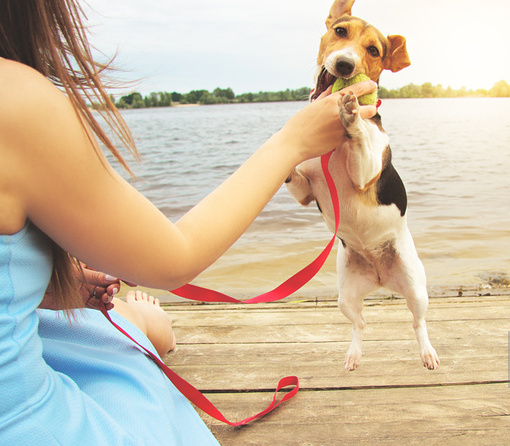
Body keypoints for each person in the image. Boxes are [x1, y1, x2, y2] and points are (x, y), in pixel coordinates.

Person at [0, 0, 377, 444]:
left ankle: (132, 320)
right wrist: (293, 141)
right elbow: (173, 260)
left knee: (111, 322)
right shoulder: (16, 96)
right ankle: (140, 323)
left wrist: (38, 285)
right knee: (133, 327)